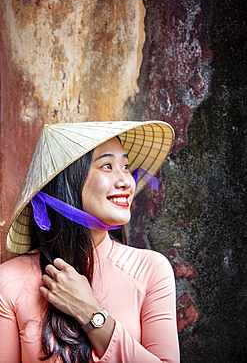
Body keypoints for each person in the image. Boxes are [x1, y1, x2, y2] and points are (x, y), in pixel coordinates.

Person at [0, 120, 180, 363]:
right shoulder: (9, 281)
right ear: (69, 183)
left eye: (126, 166)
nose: (127, 181)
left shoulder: (151, 270)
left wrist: (89, 312)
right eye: (107, 165)